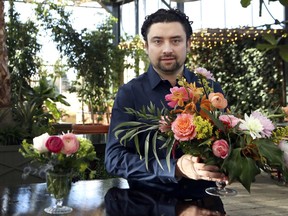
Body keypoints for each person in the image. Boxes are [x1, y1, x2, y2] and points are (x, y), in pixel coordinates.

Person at [105, 8, 227, 198]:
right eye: (158, 41)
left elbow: (227, 140)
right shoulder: (130, 93)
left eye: (176, 40)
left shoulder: (210, 89)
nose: (167, 49)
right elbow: (114, 159)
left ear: (188, 44)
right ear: (146, 46)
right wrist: (173, 169)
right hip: (147, 203)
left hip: (205, 201)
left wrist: (231, 165)